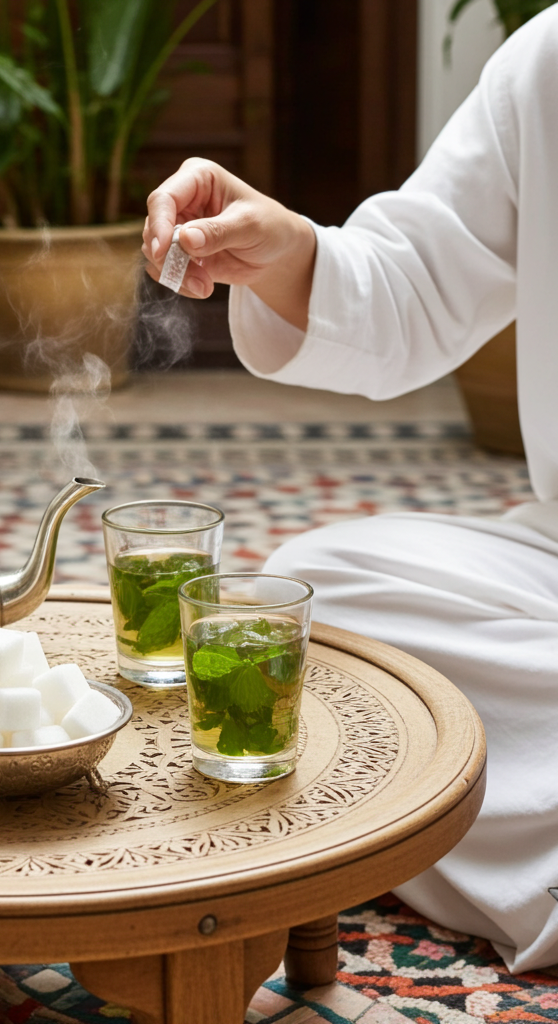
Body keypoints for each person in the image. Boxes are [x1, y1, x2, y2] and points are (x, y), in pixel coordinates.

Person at [141, 8, 558, 974]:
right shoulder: (548, 58)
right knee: (317, 597)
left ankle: (434, 829)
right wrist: (288, 252)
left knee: (372, 734)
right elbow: (419, 278)